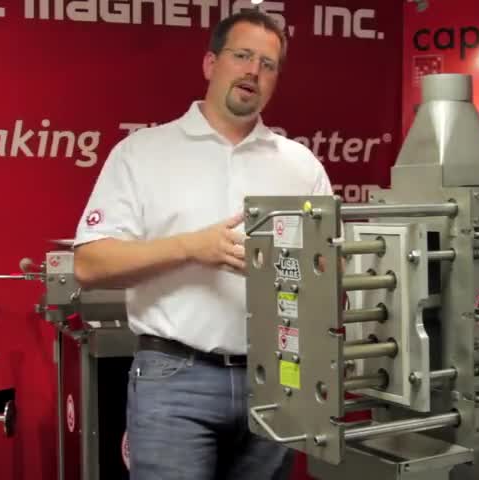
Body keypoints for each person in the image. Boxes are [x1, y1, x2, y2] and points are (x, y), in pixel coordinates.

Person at [71, 8, 333, 480]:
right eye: (242, 55)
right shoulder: (142, 153)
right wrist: (192, 247)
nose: (253, 71)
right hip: (174, 379)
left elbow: (327, 270)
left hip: (277, 376)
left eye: (267, 64)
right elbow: (89, 264)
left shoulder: (301, 166)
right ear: (211, 64)